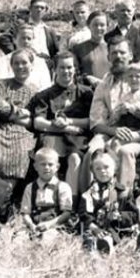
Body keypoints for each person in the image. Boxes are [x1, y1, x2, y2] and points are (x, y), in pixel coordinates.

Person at [85, 37, 140, 192]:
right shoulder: (103, 86)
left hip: (137, 132)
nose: (118, 56)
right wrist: (114, 131)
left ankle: (122, 198)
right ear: (108, 57)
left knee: (121, 150)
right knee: (92, 150)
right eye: (114, 53)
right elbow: (96, 123)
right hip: (110, 131)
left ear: (130, 54)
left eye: (122, 52)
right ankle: (88, 197)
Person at [28, 52, 94, 192]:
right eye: (62, 68)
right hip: (53, 138)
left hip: (78, 141)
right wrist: (63, 128)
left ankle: (70, 202)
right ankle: (49, 199)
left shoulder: (86, 93)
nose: (66, 71)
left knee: (75, 159)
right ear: (55, 70)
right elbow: (38, 122)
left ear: (75, 69)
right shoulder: (44, 95)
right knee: (51, 156)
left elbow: (91, 121)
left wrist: (69, 122)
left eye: (70, 67)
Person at [0, 48, 39, 199]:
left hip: (22, 131)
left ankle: (4, 198)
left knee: (21, 152)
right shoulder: (2, 85)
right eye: (16, 63)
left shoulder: (35, 91)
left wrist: (11, 113)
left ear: (31, 65)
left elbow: (33, 121)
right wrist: (20, 111)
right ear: (11, 66)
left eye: (24, 62)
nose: (20, 66)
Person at [78, 151, 139, 254]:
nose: (102, 171)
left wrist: (119, 216)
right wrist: (95, 228)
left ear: (115, 168)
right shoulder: (90, 193)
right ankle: (90, 247)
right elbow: (83, 214)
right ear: (93, 171)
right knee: (89, 236)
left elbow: (133, 214)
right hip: (95, 227)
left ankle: (106, 245)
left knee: (109, 237)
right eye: (98, 168)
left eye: (106, 167)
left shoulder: (123, 192)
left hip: (115, 229)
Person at [20, 147, 75, 238]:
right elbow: (25, 213)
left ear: (57, 167)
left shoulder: (63, 187)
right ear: (35, 167)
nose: (46, 168)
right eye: (42, 164)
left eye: (50, 164)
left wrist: (49, 225)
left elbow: (66, 213)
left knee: (46, 238)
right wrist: (31, 225)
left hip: (54, 226)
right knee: (19, 238)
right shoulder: (30, 188)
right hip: (34, 226)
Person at [0, 0, 63, 68]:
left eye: (42, 8)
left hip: (46, 64)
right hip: (26, 62)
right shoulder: (20, 25)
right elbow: (3, 39)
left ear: (46, 11)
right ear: (30, 8)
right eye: (36, 7)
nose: (39, 10)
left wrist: (52, 62)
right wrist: (15, 53)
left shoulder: (49, 30)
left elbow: (56, 51)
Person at [0, 24, 52, 91]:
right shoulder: (3, 61)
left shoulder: (41, 63)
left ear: (33, 41)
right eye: (23, 38)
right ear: (14, 40)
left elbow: (46, 87)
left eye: (29, 38)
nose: (26, 41)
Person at [71, 11, 110, 86]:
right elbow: (73, 74)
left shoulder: (112, 49)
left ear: (107, 27)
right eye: (95, 25)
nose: (99, 28)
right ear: (88, 26)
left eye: (102, 25)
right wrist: (87, 78)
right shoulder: (78, 49)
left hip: (108, 90)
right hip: (87, 91)